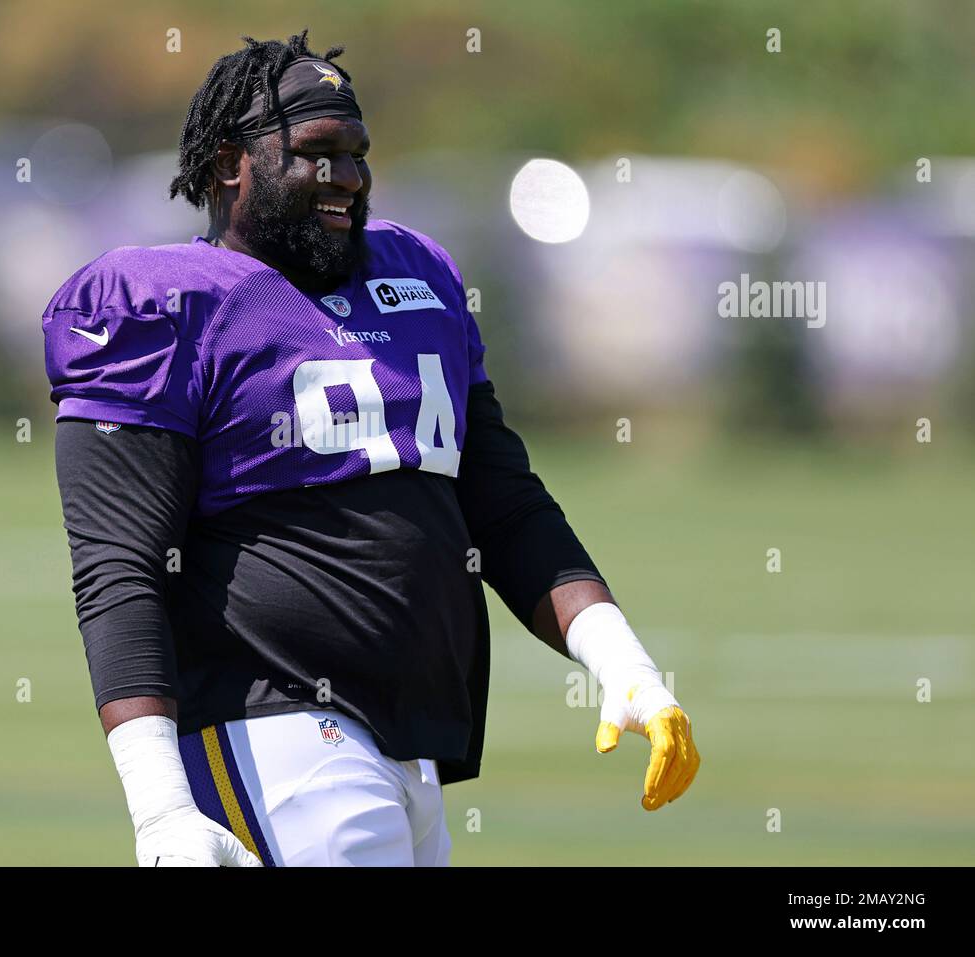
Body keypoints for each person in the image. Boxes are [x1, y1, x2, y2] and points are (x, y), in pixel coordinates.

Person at [44, 29, 700, 866]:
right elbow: (118, 565)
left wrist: (624, 664)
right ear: (227, 164)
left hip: (410, 749)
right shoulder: (165, 308)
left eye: (358, 154)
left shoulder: (415, 277)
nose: (347, 177)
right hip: (273, 729)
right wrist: (161, 806)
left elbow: (503, 503)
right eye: (318, 154)